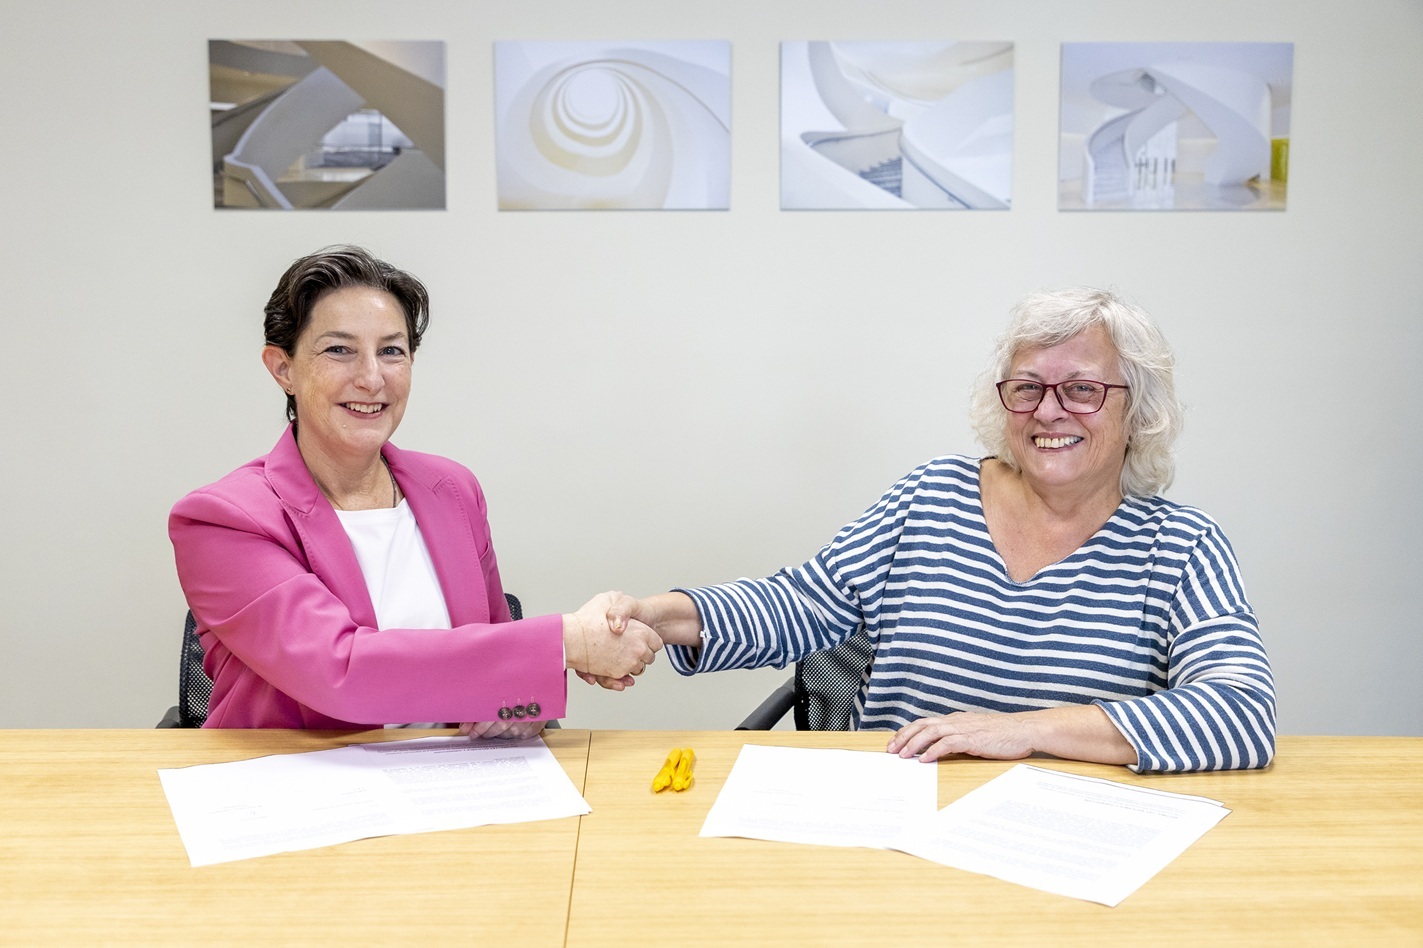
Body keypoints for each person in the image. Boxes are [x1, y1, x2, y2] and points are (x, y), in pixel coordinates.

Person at [603, 287, 1275, 773]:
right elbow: (801, 604)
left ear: (1138, 411)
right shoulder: (933, 497)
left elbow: (1240, 711)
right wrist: (657, 617)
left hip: (1071, 845)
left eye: (1081, 389)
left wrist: (1024, 732)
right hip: (898, 820)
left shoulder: (1180, 547)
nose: (1049, 411)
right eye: (1027, 388)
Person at [170, 246, 660, 731]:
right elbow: (344, 673)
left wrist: (517, 710)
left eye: (391, 351)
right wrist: (568, 642)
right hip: (299, 774)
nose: (371, 378)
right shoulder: (223, 519)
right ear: (284, 368)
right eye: (339, 350)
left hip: (451, 771)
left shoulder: (453, 490)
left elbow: (498, 657)